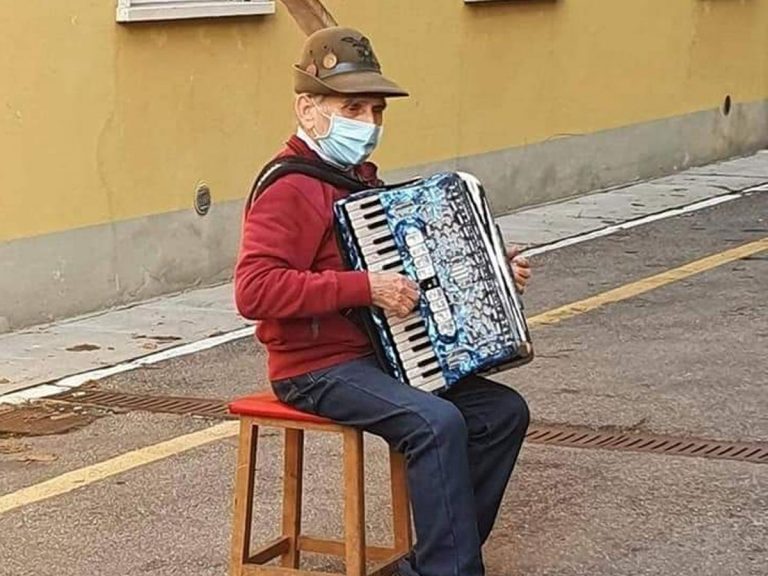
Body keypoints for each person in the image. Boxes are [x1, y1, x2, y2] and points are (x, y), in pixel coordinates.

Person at [235, 26, 532, 576]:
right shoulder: (290, 186)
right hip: (314, 367)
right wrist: (363, 287)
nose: (368, 124)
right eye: (354, 107)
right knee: (435, 423)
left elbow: (417, 272)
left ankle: (432, 564)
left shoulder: (356, 181)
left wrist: (492, 274)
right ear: (308, 109)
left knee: (501, 413)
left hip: (376, 355)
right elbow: (254, 290)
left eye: (376, 110)